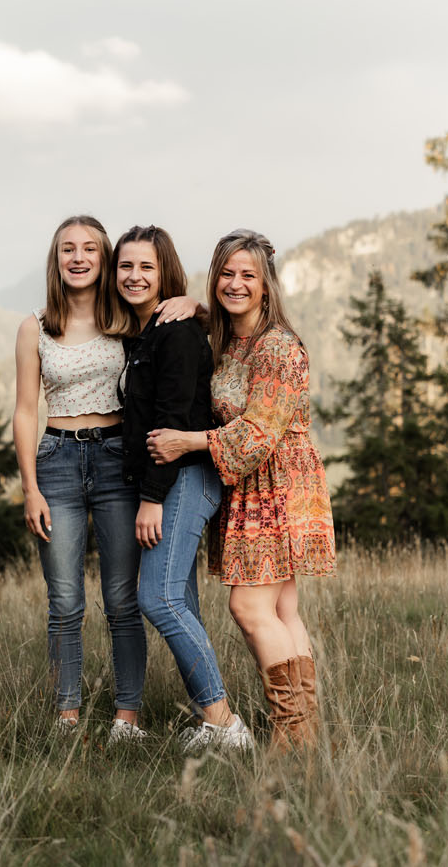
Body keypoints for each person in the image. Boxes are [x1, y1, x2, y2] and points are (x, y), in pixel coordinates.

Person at [146, 229, 336, 751]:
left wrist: (186, 442)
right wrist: (193, 303)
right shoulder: (230, 338)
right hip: (254, 486)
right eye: (226, 273)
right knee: (282, 612)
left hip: (279, 484)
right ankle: (305, 739)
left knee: (250, 610)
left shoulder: (278, 347)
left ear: (267, 285)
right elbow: (214, 311)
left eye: (247, 275)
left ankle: (292, 734)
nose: (235, 284)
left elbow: (256, 435)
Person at [12, 215, 193, 742]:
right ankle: (67, 717)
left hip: (119, 461)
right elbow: (25, 411)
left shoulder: (128, 321)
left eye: (90, 248)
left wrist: (195, 303)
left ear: (104, 258)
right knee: (65, 601)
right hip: (57, 462)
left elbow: (180, 322)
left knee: (121, 599)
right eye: (68, 249)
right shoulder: (36, 327)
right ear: (57, 258)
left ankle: (126, 718)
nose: (78, 257)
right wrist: (31, 488)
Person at [113, 225, 253, 751]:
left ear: (164, 272)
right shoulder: (148, 330)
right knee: (180, 600)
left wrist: (151, 499)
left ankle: (223, 720)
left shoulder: (175, 331)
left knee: (159, 598)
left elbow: (171, 422)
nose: (134, 275)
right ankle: (209, 720)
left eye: (146, 267)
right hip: (167, 481)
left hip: (183, 480)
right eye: (126, 266)